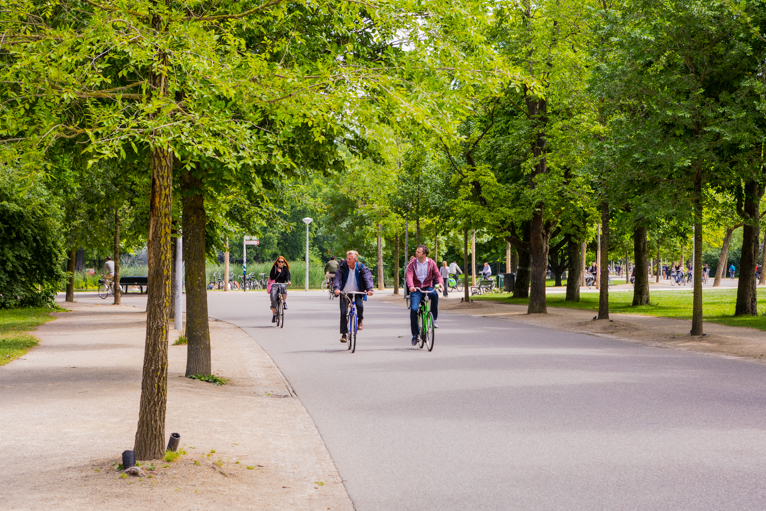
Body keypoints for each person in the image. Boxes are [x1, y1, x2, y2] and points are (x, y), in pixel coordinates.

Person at [406, 244, 444, 346]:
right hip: (416, 288)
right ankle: (415, 334)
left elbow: (437, 275)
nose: (416, 253)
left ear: (424, 254)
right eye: (416, 251)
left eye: (418, 252)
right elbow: (409, 275)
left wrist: (440, 283)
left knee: (435, 294)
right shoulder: (412, 263)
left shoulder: (431, 263)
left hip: (428, 287)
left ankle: (434, 319)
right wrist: (411, 286)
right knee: (414, 309)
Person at [333, 251, 374, 343]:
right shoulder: (343, 266)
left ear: (355, 260)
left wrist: (370, 289)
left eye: (349, 259)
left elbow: (367, 278)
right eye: (347, 258)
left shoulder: (360, 267)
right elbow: (337, 277)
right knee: (343, 312)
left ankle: (360, 320)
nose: (347, 260)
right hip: (344, 292)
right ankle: (344, 334)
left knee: (360, 306)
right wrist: (336, 288)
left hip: (358, 291)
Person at [269, 256, 291, 322]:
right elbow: (272, 277)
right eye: (279, 262)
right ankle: (274, 315)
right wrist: (278, 272)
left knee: (284, 289)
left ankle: (284, 302)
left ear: (284, 262)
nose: (281, 263)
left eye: (282, 262)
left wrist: (288, 281)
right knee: (273, 297)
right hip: (275, 284)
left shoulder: (285, 269)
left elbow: (287, 276)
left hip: (282, 283)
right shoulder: (274, 268)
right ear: (277, 262)